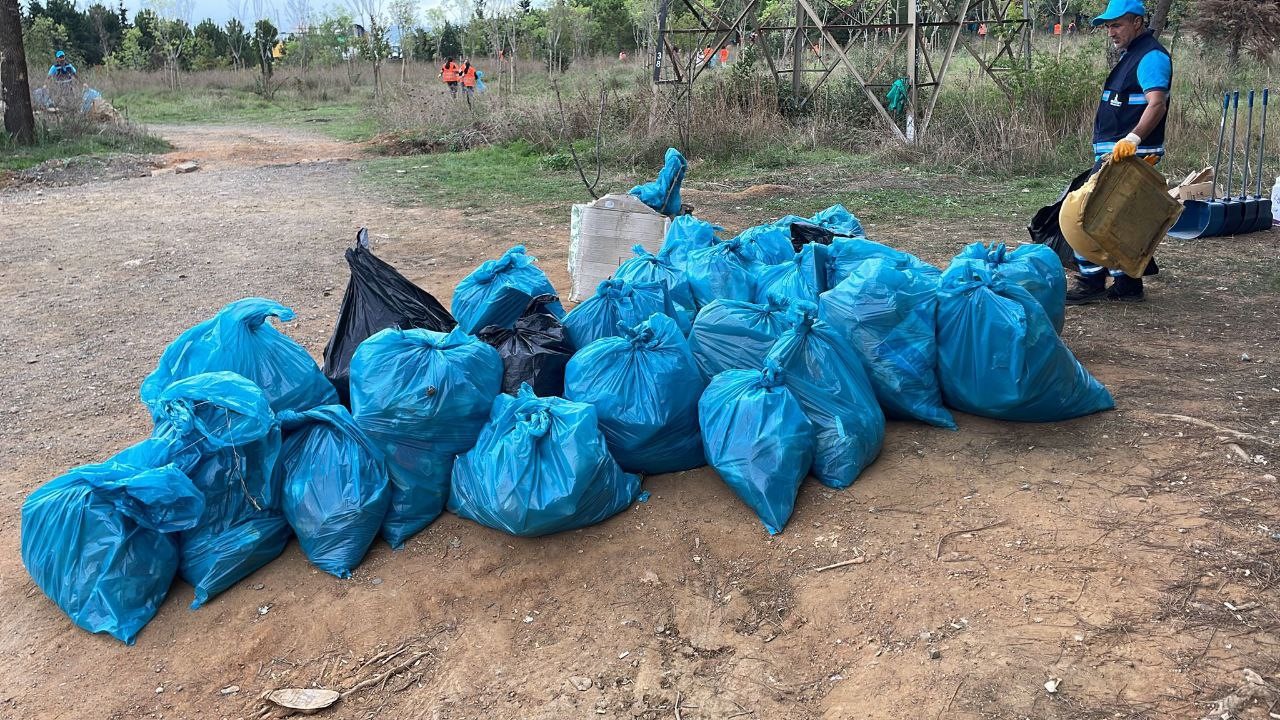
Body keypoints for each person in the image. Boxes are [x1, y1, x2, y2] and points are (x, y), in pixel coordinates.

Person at [1065, 0, 1171, 304]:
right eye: (1108, 26)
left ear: (1137, 22)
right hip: (1118, 154)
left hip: (1129, 156)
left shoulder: (1150, 56)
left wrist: (1134, 139)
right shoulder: (1133, 55)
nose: (1111, 32)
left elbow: (1157, 103)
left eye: (1117, 24)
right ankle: (1127, 285)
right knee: (1117, 220)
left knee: (1084, 214)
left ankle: (1091, 281)